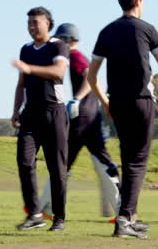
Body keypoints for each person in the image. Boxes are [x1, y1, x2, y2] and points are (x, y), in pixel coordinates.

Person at [87, 0, 158, 239]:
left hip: (117, 102)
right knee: (138, 162)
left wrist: (105, 103)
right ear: (139, 1)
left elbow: (91, 76)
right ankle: (125, 220)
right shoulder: (148, 30)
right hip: (141, 102)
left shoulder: (107, 31)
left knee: (129, 160)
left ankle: (132, 216)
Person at [42, 22, 122, 219]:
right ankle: (45, 207)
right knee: (82, 160)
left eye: (60, 39)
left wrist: (77, 99)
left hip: (83, 117)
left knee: (67, 161)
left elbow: (89, 78)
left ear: (69, 41)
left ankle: (44, 207)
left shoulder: (76, 57)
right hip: (89, 115)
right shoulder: (73, 57)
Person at [11, 6, 70, 232]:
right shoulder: (25, 49)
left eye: (36, 22)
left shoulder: (58, 45)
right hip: (31, 114)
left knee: (57, 169)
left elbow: (58, 73)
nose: (32, 27)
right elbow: (21, 84)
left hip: (54, 112)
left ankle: (59, 218)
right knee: (25, 162)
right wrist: (16, 109)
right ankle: (35, 214)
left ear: (48, 24)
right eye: (29, 23)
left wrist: (30, 68)